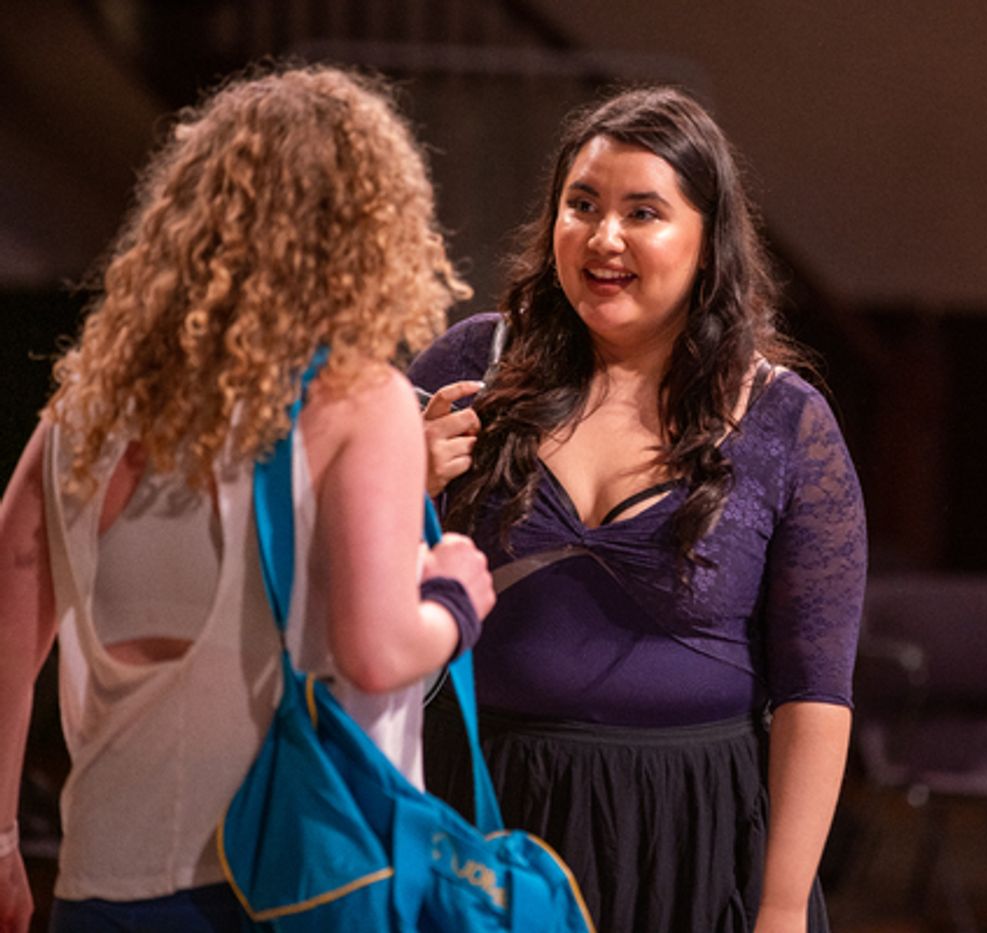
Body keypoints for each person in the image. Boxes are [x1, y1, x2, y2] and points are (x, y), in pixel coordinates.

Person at [0, 64, 494, 932]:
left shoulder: (84, 410)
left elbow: (10, 605)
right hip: (285, 881)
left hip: (101, 876)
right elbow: (378, 651)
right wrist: (456, 595)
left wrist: (2, 837)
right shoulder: (353, 398)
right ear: (365, 227)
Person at [411, 85, 867, 933]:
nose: (603, 236)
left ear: (706, 241)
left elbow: (816, 694)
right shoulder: (472, 364)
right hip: (483, 817)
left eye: (642, 212)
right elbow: (338, 574)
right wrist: (406, 483)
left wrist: (778, 906)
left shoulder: (786, 421)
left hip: (693, 837)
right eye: (580, 205)